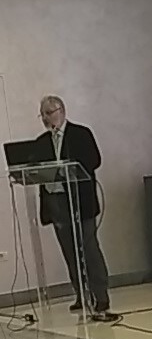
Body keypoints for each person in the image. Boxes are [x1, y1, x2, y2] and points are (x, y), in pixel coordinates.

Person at [36, 95, 117, 322]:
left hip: (80, 200)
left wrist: (68, 169)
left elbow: (94, 160)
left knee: (89, 248)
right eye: (42, 114)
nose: (45, 118)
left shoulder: (81, 134)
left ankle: (101, 296)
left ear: (61, 111)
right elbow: (35, 169)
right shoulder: (41, 141)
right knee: (69, 250)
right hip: (56, 201)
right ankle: (81, 294)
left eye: (49, 113)